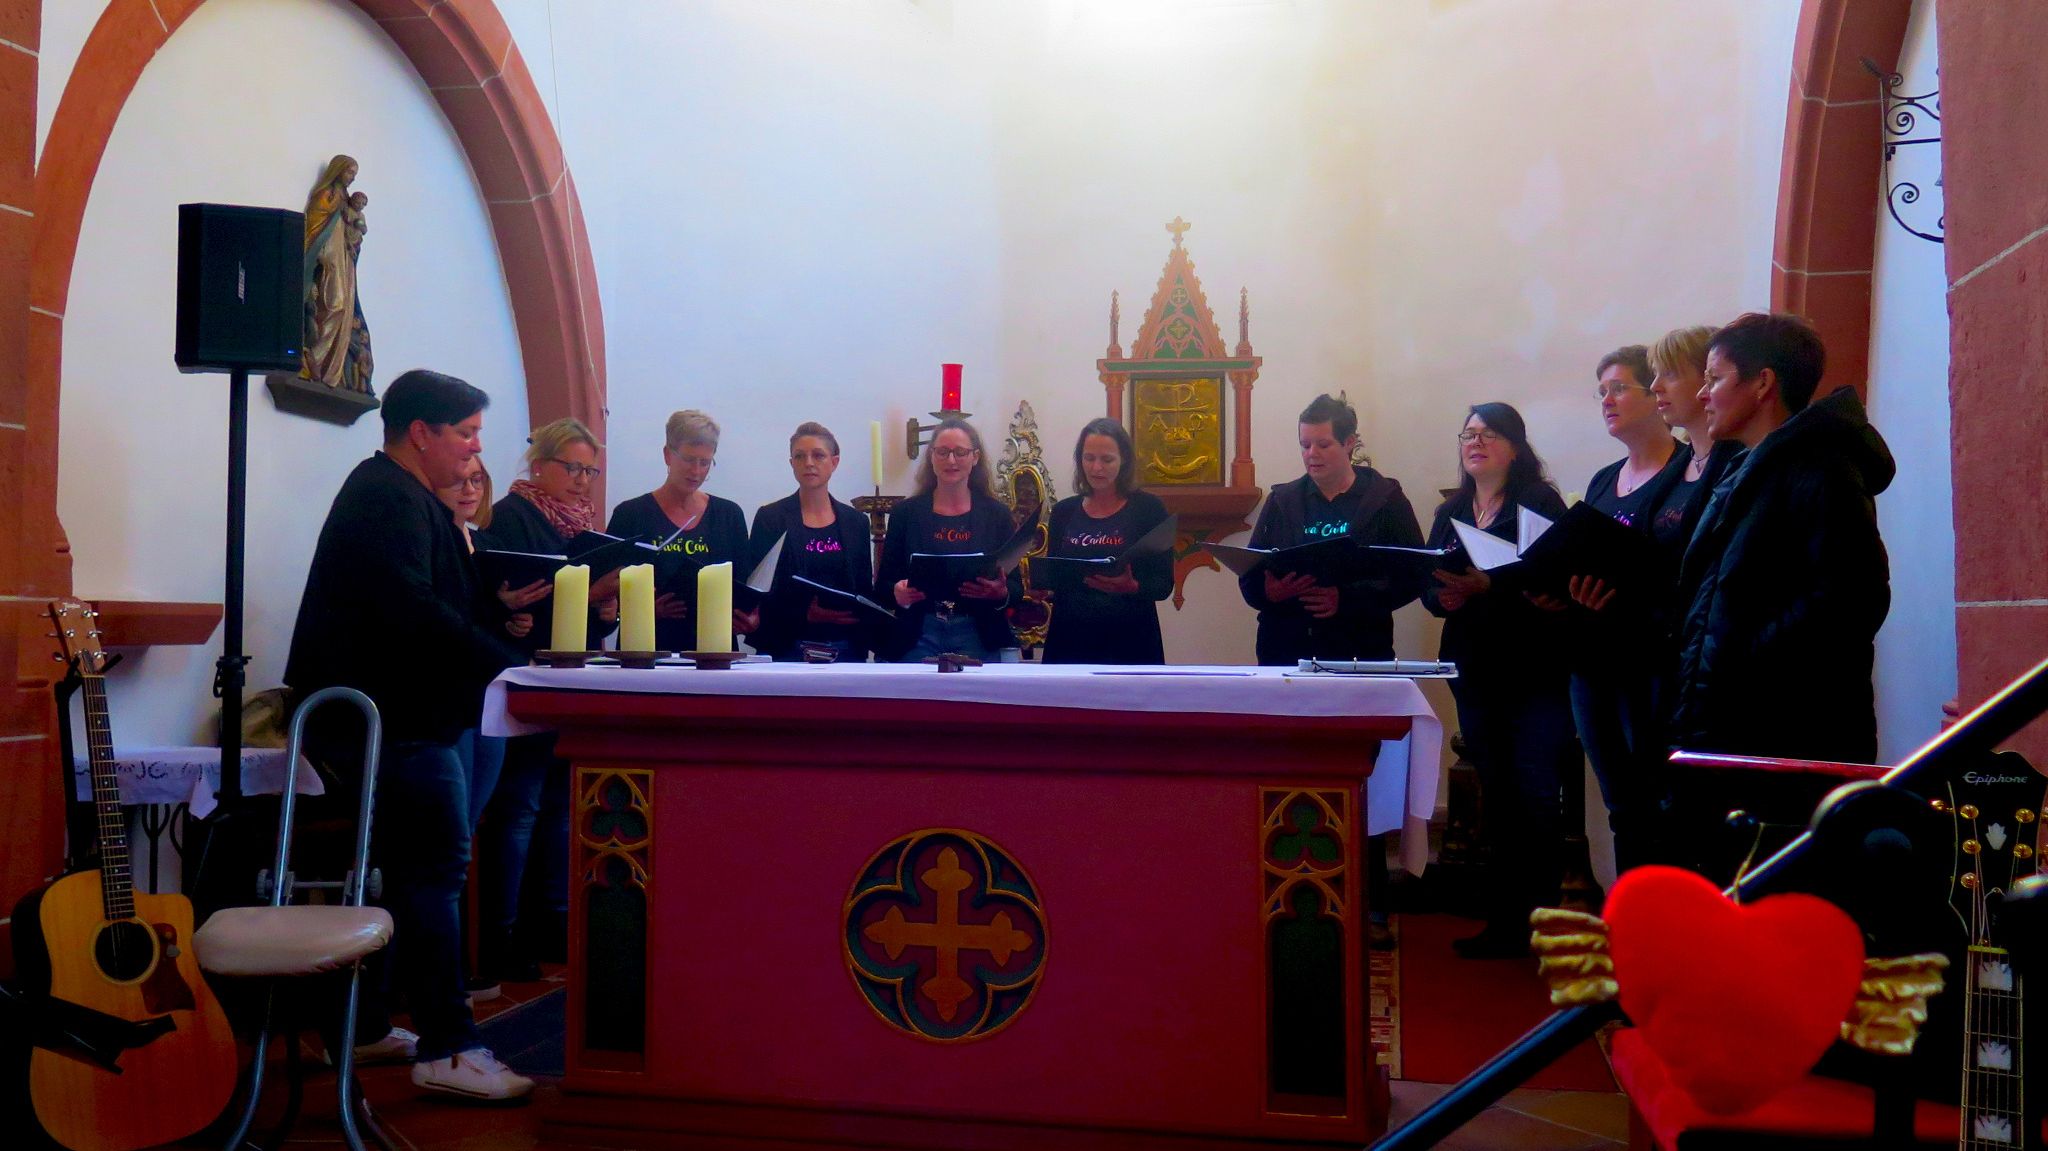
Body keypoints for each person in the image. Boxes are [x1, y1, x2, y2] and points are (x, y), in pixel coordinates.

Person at [283, 369, 533, 1100]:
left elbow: (431, 602)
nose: (475, 449)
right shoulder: (385, 496)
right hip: (395, 723)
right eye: (466, 433)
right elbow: (412, 610)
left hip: (409, 716)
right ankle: (448, 1047)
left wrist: (497, 608)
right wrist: (506, 662)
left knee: (404, 875)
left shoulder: (404, 496)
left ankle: (364, 1028)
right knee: (434, 874)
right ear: (421, 432)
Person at [1672, 313, 1893, 763]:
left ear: (1762, 383)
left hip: (1786, 729)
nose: (1702, 394)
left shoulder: (1822, 470)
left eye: (1714, 378)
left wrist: (1737, 660)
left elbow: (1850, 600)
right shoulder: (1744, 469)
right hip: (1729, 721)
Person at [1422, 403, 1575, 959]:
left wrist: (1491, 585)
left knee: (1536, 791)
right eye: (1468, 433)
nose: (1476, 442)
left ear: (1515, 446)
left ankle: (1544, 920)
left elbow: (1557, 576)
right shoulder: (1452, 509)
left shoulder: (1539, 501)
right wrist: (1442, 595)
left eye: (1489, 434)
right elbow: (1427, 580)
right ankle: (1505, 921)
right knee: (1498, 791)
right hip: (1473, 665)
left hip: (1533, 666)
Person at [474, 419, 609, 984]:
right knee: (520, 808)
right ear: (539, 465)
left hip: (568, 681)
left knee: (559, 805)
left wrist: (605, 611)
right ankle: (503, 933)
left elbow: (578, 614)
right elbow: (501, 599)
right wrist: (574, 598)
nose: (581, 480)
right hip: (523, 679)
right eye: (571, 467)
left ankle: (550, 922)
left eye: (589, 471)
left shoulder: (583, 526)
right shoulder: (511, 516)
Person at [1553, 347, 1692, 874]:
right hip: (1592, 663)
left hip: (1649, 664)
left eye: (1618, 388)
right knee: (1621, 806)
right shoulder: (1603, 479)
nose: (1607, 400)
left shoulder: (1686, 471)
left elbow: (1676, 570)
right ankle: (1630, 911)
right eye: (1601, 391)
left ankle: (1660, 913)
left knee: (1659, 804)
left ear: (1655, 395)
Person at [1238, 394, 1426, 666]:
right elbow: (1251, 572)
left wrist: (1347, 599)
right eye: (1305, 445)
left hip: (1361, 649)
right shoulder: (1282, 500)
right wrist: (1268, 592)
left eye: (1323, 444)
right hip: (1285, 651)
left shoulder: (1385, 498)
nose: (1311, 454)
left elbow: (1415, 573)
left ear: (1349, 442)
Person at [606, 410, 753, 653]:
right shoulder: (631, 514)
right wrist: (641, 608)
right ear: (667, 455)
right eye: (688, 459)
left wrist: (746, 617)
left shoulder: (729, 515)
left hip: (714, 651)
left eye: (705, 462)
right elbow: (608, 588)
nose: (696, 471)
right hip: (648, 649)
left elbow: (742, 581)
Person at [878, 419, 1019, 661]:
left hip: (978, 631)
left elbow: (1016, 588)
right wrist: (897, 593)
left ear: (975, 457)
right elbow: (883, 585)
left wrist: (1000, 592)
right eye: (942, 452)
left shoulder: (996, 515)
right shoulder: (906, 514)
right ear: (931, 457)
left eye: (960, 452)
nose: (951, 460)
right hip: (919, 631)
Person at [1041, 418, 1172, 664]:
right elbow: (1055, 574)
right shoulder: (1063, 511)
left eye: (1107, 459)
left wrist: (1132, 586)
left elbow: (1163, 584)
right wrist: (1042, 586)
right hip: (1070, 638)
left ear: (1124, 461)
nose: (1096, 468)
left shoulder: (1149, 509)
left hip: (1130, 640)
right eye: (1089, 458)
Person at [745, 422, 876, 662]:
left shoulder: (855, 522)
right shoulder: (771, 518)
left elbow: (863, 588)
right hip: (786, 645)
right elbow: (757, 591)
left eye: (818, 455)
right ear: (792, 463)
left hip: (845, 647)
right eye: (800, 456)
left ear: (834, 462)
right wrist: (804, 614)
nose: (808, 463)